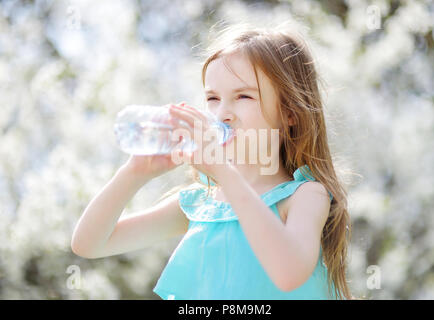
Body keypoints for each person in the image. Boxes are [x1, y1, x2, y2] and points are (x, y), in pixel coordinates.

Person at [71, 22, 352, 300]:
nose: (223, 113)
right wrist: (133, 173)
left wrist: (224, 172)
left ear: (290, 113)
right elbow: (89, 244)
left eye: (243, 96)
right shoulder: (203, 204)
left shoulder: (306, 195)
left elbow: (288, 274)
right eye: (213, 98)